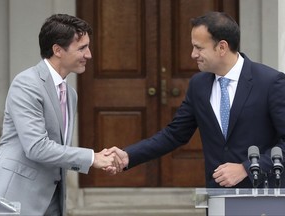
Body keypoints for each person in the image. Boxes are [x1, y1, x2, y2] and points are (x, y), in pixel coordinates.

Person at [106, 11, 285, 188]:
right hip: (217, 197)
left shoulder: (270, 82)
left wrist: (247, 168)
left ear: (222, 47)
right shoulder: (199, 85)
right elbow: (174, 134)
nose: (193, 54)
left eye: (199, 48)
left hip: (263, 196)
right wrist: (128, 155)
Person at [0, 14, 120, 216]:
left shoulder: (70, 93)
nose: (88, 54)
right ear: (57, 50)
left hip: (52, 201)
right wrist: (92, 158)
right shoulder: (27, 84)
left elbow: (58, 148)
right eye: (81, 48)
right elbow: (36, 147)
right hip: (17, 199)